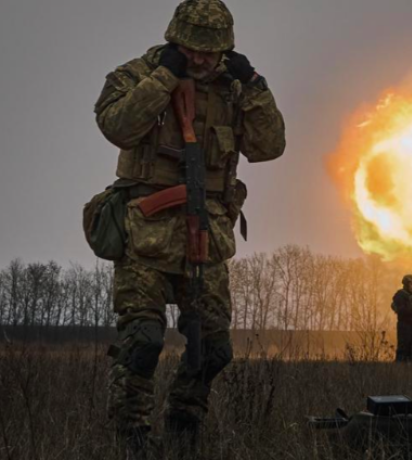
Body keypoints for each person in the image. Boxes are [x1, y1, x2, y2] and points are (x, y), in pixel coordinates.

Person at [92, 0, 285, 455]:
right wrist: (163, 78)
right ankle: (132, 436)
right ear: (174, 39)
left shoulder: (235, 88)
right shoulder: (138, 74)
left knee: (214, 348)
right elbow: (117, 126)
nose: (200, 59)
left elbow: (269, 146)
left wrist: (255, 85)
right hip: (146, 235)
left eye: (211, 51)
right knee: (142, 342)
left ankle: (184, 424)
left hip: (208, 235)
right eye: (192, 50)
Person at [391, 275, 412, 363]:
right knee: (404, 346)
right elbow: (400, 310)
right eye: (411, 284)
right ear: (406, 285)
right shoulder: (400, 295)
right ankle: (401, 366)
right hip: (405, 325)